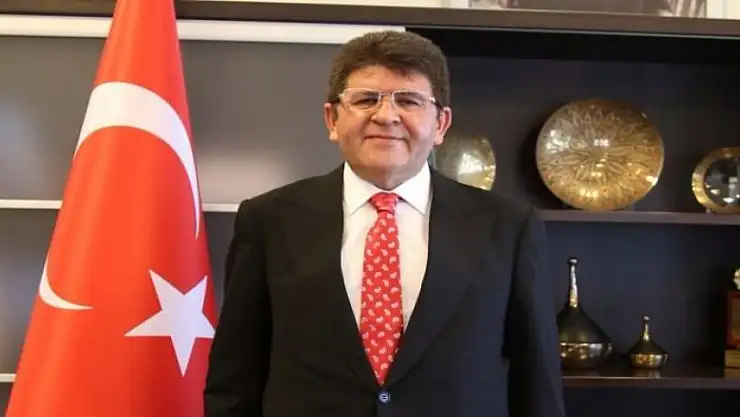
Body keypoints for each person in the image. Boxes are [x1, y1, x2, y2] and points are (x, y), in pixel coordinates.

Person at [203, 30, 565, 417]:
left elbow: (537, 384)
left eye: (408, 101)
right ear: (332, 119)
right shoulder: (268, 221)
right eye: (365, 99)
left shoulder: (508, 227)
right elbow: (234, 383)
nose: (386, 116)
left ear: (441, 124)